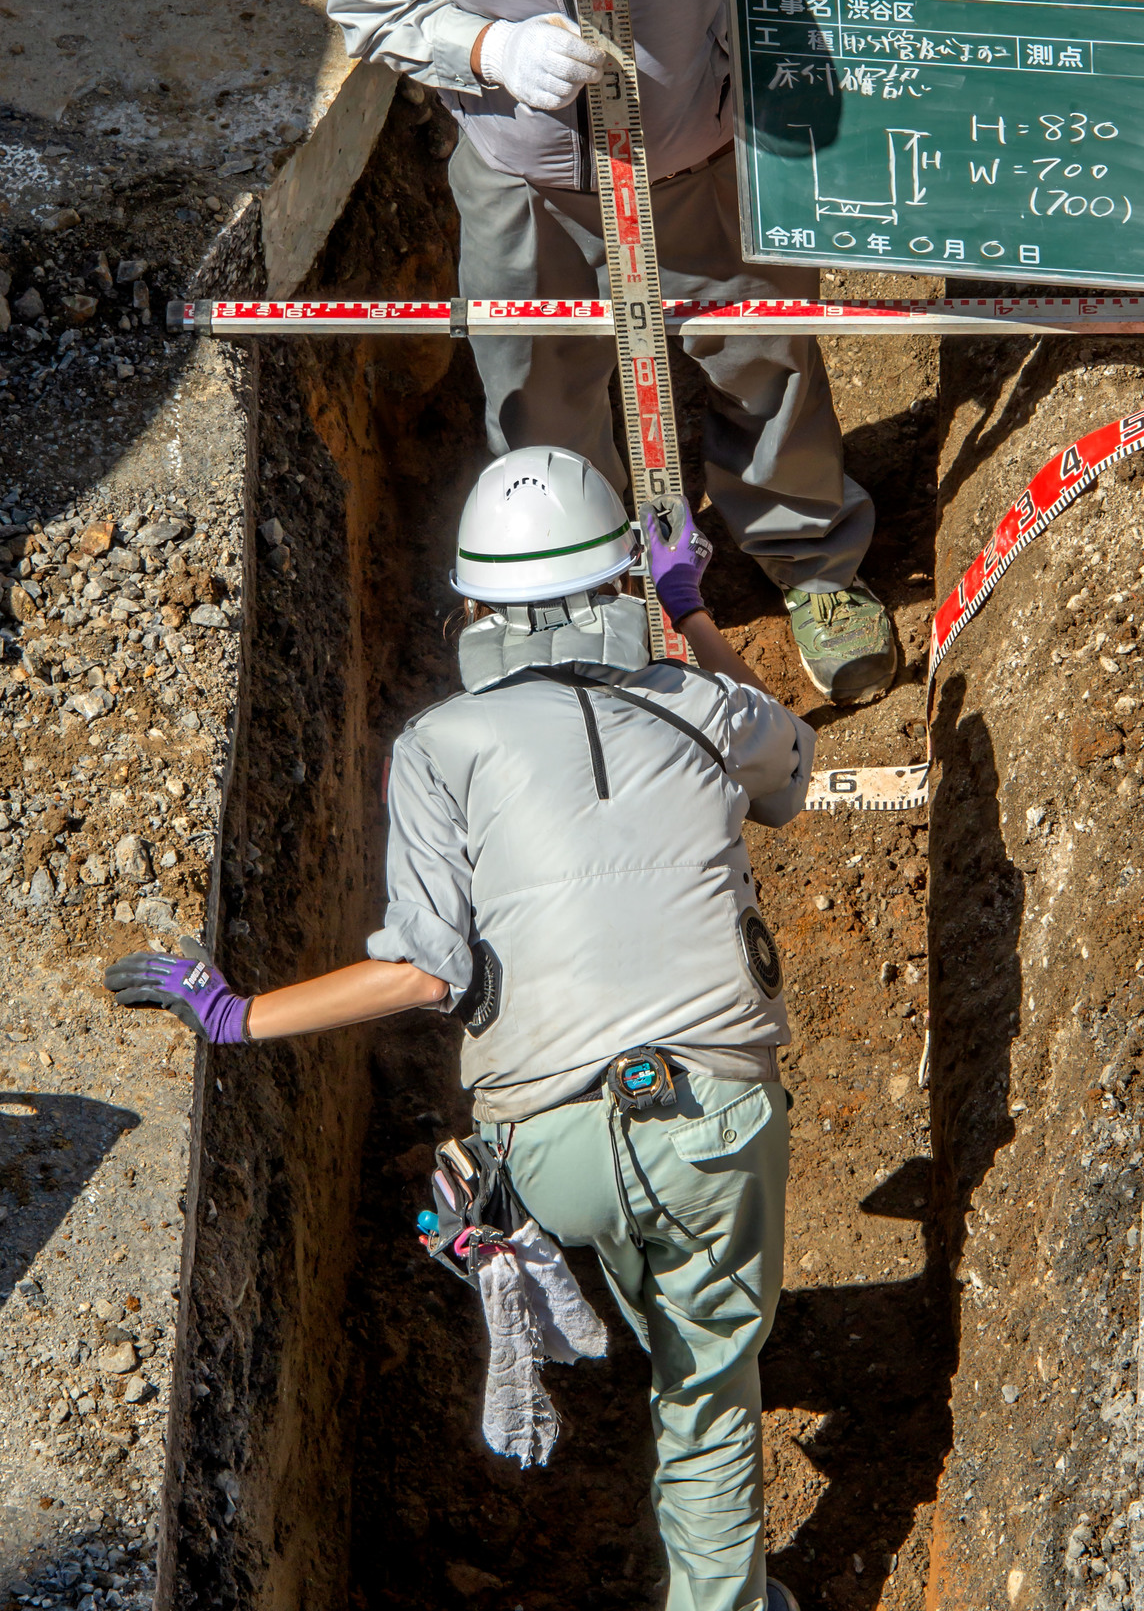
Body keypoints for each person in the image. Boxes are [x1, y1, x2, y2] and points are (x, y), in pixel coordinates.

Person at [104, 445, 817, 1611]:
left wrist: (238, 1013)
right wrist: (691, 615)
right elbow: (791, 769)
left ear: (475, 606)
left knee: (637, 1235)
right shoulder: (705, 704)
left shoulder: (438, 745)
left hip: (542, 1156)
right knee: (710, 1401)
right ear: (620, 583)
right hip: (717, 1122)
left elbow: (427, 972)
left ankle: (654, 1301)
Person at [324, 0, 1006, 706]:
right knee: (536, 395)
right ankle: (587, 597)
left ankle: (811, 558)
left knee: (761, 359)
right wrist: (485, 47)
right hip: (522, 172)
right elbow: (371, 11)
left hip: (703, 142)